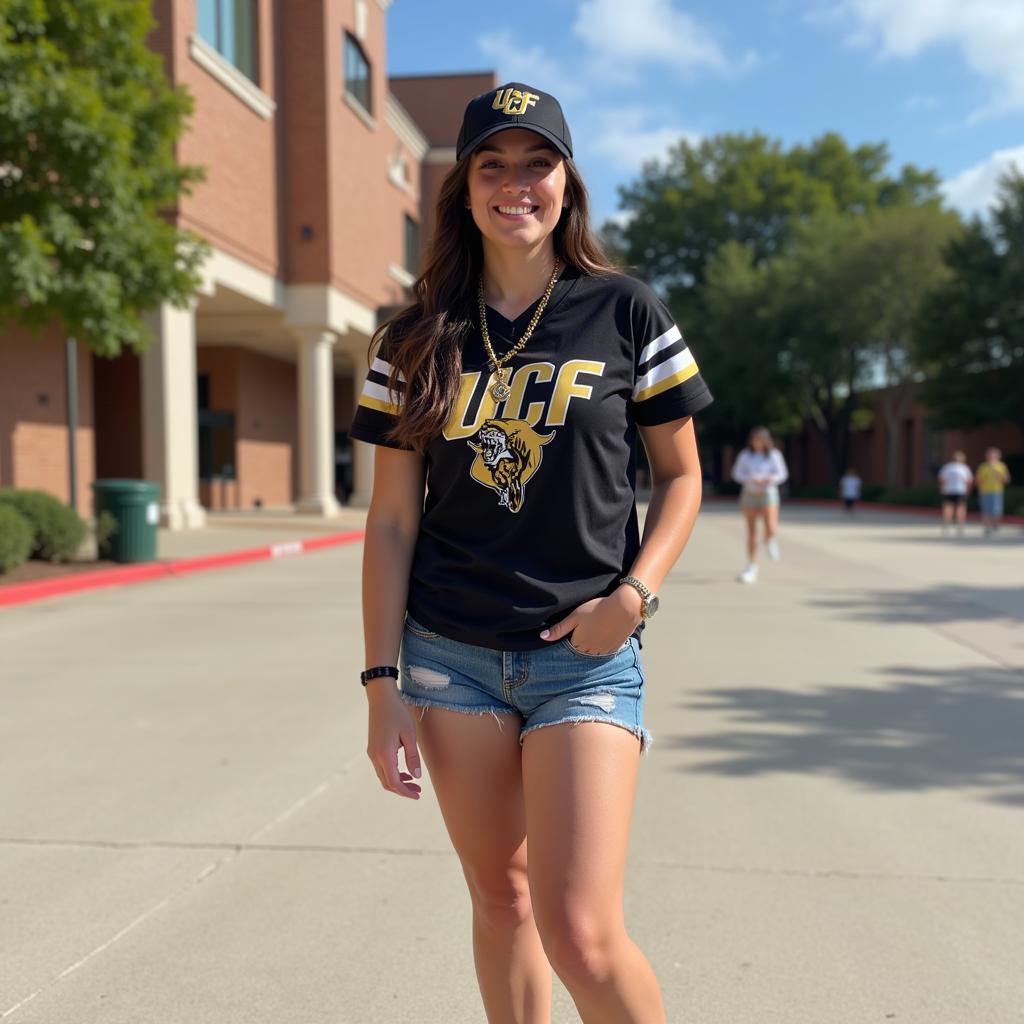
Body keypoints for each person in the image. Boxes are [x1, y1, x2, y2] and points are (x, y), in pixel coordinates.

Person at [351, 83, 712, 1024]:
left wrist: (633, 596)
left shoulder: (626, 312)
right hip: (449, 658)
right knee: (500, 900)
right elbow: (391, 521)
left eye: (537, 162)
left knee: (582, 934)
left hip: (584, 659)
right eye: (492, 165)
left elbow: (681, 478)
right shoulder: (413, 336)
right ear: (465, 189)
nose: (517, 183)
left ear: (567, 180)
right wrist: (381, 680)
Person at [730, 427, 788, 583]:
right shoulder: (745, 455)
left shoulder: (774, 455)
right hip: (750, 494)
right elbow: (736, 473)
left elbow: (782, 473)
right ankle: (752, 565)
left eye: (760, 439)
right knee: (751, 531)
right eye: (754, 439)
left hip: (768, 493)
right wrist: (751, 479)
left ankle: (770, 539)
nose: (757, 442)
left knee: (771, 526)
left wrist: (769, 479)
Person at [975, 447, 1011, 534]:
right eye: (990, 455)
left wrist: (1000, 475)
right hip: (985, 491)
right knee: (986, 510)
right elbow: (977, 480)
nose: (992, 457)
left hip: (997, 491)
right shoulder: (983, 466)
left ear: (998, 456)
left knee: (997, 510)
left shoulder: (1001, 466)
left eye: (994, 455)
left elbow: (1007, 480)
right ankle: (987, 527)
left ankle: (996, 525)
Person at [937, 450, 973, 536]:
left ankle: (960, 526)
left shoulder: (964, 468)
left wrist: (968, 490)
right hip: (949, 490)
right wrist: (942, 488)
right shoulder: (947, 467)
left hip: (960, 491)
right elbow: (942, 479)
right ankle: (947, 525)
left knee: (961, 509)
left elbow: (969, 480)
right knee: (948, 509)